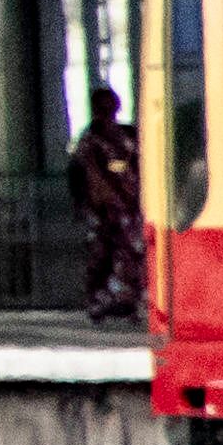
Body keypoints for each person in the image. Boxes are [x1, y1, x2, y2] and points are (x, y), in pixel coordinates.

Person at [77, 86, 151, 326]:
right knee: (101, 254)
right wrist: (101, 200)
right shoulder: (91, 140)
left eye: (111, 105)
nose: (108, 110)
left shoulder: (128, 134)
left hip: (131, 207)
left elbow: (140, 163)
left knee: (133, 252)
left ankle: (130, 299)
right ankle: (99, 300)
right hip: (103, 210)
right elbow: (89, 173)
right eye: (103, 106)